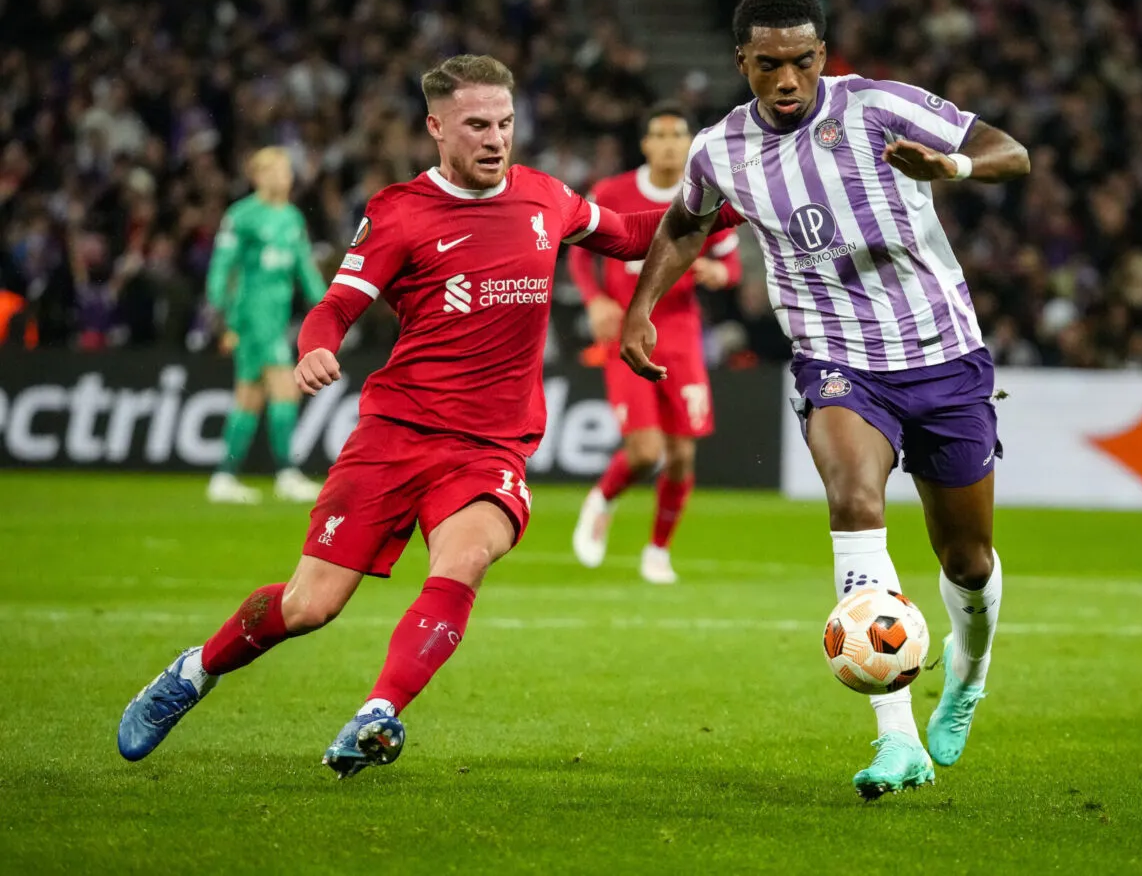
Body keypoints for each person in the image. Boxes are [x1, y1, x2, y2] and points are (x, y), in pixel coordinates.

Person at [117, 54, 742, 778]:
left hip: (490, 445)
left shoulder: (545, 198)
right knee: (310, 605)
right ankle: (195, 671)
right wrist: (316, 348)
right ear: (436, 127)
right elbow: (334, 307)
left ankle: (377, 712)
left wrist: (735, 202)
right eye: (477, 124)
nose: (495, 139)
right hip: (395, 434)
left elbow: (635, 235)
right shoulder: (399, 212)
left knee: (466, 557)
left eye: (506, 123)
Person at [618, 0, 1030, 800]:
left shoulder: (877, 106)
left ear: (820, 56)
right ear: (742, 62)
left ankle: (970, 673)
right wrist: (640, 309)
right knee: (854, 502)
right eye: (767, 64)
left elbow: (1009, 152)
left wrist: (948, 164)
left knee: (968, 560)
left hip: (944, 357)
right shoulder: (719, 150)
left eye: (802, 61)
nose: (786, 80)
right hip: (836, 360)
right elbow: (685, 222)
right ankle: (896, 740)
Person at [568, 101, 742, 584]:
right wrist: (595, 301)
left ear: (689, 144)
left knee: (682, 456)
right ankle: (602, 499)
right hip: (629, 334)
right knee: (646, 452)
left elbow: (732, 266)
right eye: (659, 136)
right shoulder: (613, 192)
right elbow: (580, 253)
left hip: (682, 336)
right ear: (646, 144)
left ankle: (658, 551)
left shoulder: (706, 196)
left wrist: (716, 272)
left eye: (677, 136)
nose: (668, 144)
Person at [204, 147, 327, 504]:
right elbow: (221, 268)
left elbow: (305, 269)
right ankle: (287, 473)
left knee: (249, 398)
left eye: (287, 169)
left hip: (276, 318)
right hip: (251, 318)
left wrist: (329, 308)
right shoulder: (242, 216)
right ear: (259, 176)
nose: (285, 176)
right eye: (277, 169)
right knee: (284, 389)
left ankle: (224, 477)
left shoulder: (291, 218)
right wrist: (222, 314)